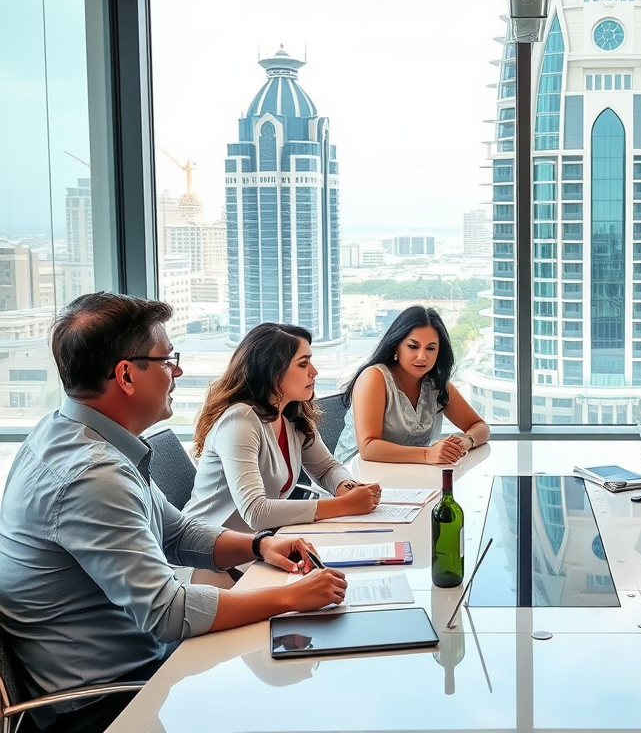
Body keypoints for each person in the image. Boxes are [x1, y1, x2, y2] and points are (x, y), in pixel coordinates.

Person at [0, 294, 347, 733]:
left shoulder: (76, 436)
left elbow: (175, 533)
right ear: (126, 375)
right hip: (107, 702)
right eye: (167, 360)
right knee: (297, 702)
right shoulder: (92, 475)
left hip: (139, 666)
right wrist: (291, 598)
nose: (177, 371)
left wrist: (260, 544)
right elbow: (168, 613)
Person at [183, 323, 381, 533]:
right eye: (303, 364)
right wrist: (345, 505)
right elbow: (255, 512)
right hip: (210, 552)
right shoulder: (239, 420)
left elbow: (326, 468)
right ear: (274, 372)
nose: (314, 372)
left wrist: (348, 489)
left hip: (259, 544)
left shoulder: (291, 416)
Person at [335, 305, 489, 464]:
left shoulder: (437, 385)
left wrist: (466, 441)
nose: (422, 356)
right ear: (396, 346)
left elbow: (480, 426)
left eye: (430, 348)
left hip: (411, 474)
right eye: (413, 346)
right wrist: (427, 454)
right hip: (357, 475)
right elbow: (368, 448)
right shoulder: (374, 377)